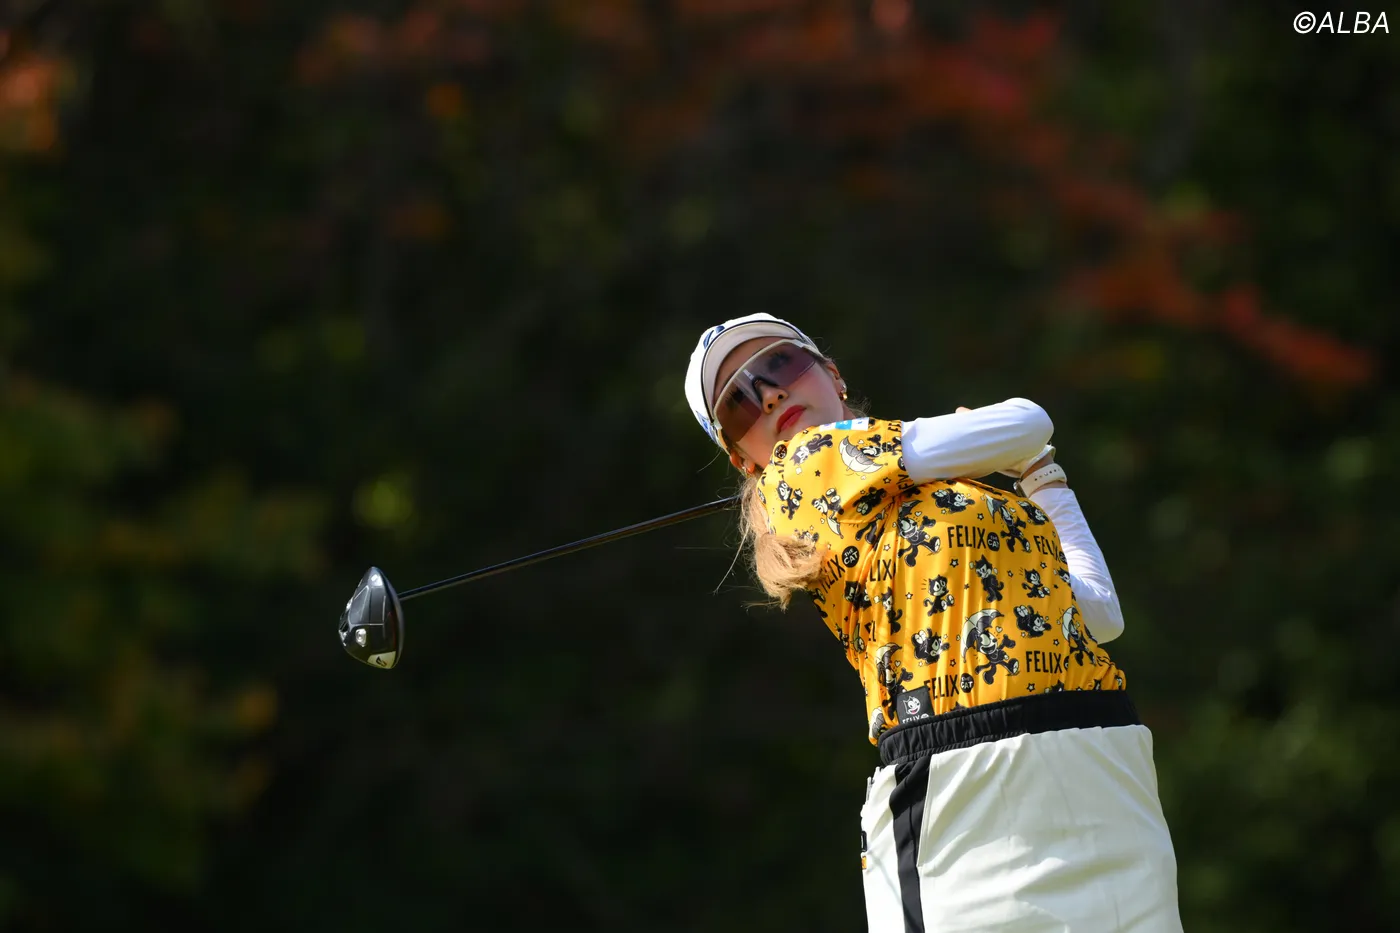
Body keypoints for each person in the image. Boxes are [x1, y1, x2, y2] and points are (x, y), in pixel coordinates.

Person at [684, 313, 1182, 932]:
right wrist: (997, 438)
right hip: (963, 793)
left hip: (1099, 757)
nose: (768, 394)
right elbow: (1028, 420)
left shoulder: (970, 493)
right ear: (744, 460)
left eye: (779, 363)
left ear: (832, 375)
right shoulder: (805, 465)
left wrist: (1041, 476)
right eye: (737, 404)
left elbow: (1099, 614)